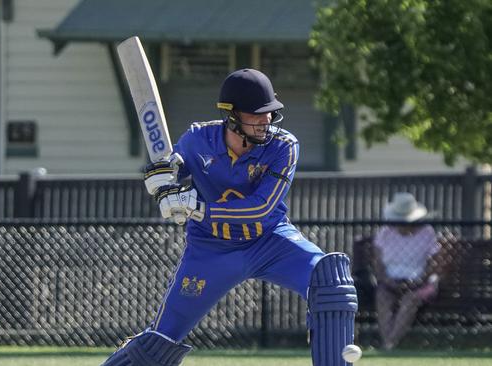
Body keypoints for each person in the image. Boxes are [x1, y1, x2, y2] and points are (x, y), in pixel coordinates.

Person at [101, 69, 358, 366]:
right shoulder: (198, 139)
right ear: (232, 115)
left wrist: (197, 208)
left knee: (331, 282)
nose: (267, 121)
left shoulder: (284, 146)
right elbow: (171, 172)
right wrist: (160, 181)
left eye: (270, 113)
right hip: (211, 250)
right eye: (257, 115)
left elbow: (260, 208)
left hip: (270, 241)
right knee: (160, 340)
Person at [373, 192, 442, 350]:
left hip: (421, 284)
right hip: (390, 282)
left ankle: (389, 344)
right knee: (382, 297)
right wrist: (387, 280)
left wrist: (418, 282)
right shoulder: (384, 233)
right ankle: (388, 342)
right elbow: (378, 264)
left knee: (409, 300)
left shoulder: (427, 233)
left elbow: (434, 265)